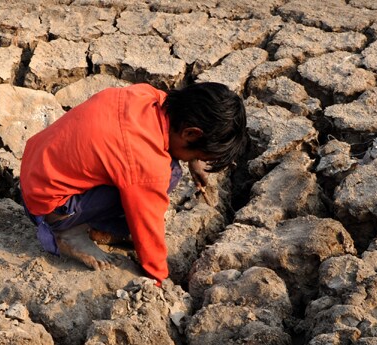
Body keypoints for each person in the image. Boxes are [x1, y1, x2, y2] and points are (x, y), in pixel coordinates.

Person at [19, 82, 248, 282]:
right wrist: (158, 278)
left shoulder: (146, 96)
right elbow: (147, 224)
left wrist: (193, 160)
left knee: (162, 169)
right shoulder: (146, 160)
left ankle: (92, 225)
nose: (195, 160)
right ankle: (68, 232)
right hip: (50, 206)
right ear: (190, 134)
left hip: (33, 175)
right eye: (198, 155)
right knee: (168, 174)